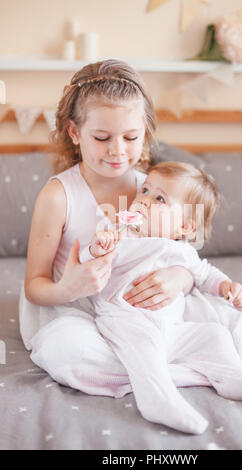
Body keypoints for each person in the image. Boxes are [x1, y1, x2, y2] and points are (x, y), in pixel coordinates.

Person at [19, 60, 195, 389]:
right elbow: (34, 285)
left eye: (131, 137)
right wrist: (67, 289)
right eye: (101, 137)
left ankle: (147, 365)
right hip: (74, 309)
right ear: (74, 132)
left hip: (136, 312)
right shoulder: (58, 196)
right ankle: (163, 373)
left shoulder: (153, 191)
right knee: (64, 349)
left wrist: (179, 279)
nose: (117, 151)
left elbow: (181, 255)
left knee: (219, 317)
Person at [77, 161, 242, 434]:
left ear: (184, 227)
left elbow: (205, 274)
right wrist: (98, 247)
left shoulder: (183, 252)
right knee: (144, 349)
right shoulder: (121, 233)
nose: (145, 200)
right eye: (146, 190)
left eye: (159, 198)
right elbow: (84, 261)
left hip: (172, 330)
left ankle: (233, 377)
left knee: (213, 335)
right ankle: (157, 399)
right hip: (125, 317)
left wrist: (225, 285)